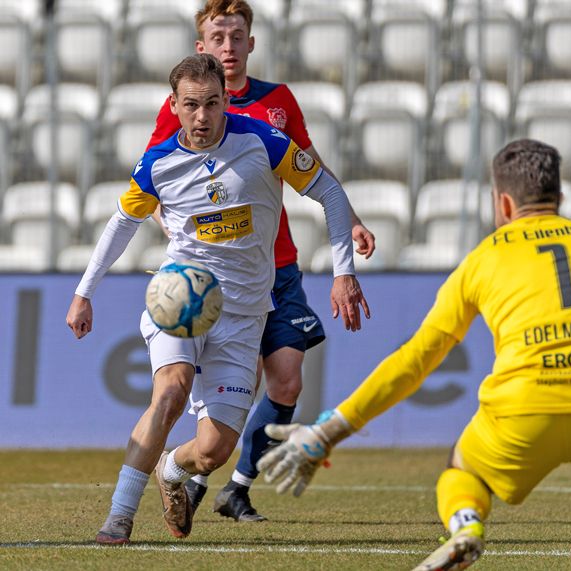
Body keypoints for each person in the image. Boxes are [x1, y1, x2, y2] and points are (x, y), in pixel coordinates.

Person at [257, 139, 571, 571]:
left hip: (520, 416)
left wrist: (328, 431)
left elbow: (416, 361)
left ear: (503, 204)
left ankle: (466, 527)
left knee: (462, 469)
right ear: (561, 196)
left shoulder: (484, 258)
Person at [65, 53, 368, 544]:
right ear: (174, 105)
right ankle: (118, 518)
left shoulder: (264, 142)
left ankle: (172, 470)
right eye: (191, 105)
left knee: (213, 450)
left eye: (211, 103)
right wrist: (84, 293)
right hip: (181, 295)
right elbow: (122, 224)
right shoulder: (158, 163)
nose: (202, 116)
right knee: (170, 391)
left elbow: (330, 193)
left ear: (226, 99)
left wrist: (343, 273)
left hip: (246, 313)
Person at [146, 0, 376, 523]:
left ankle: (237, 488)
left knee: (287, 380)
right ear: (201, 46)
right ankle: (196, 470)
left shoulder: (278, 101)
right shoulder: (181, 106)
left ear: (251, 42)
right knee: (236, 383)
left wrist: (352, 220)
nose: (228, 46)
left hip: (279, 263)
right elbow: (158, 180)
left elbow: (313, 170)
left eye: (236, 35)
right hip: (216, 274)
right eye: (217, 37)